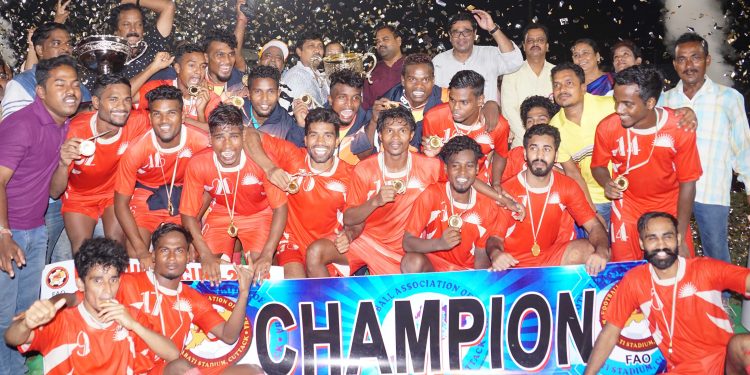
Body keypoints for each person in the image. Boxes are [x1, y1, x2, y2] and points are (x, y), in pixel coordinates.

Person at [584, 212, 750, 375]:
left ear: (678, 239)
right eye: (652, 238)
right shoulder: (635, 280)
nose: (661, 244)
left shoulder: (704, 269)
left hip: (724, 364)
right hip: (684, 370)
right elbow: (610, 333)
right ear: (642, 243)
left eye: (667, 236)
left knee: (742, 344)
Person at [0, 56, 82, 375]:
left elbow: (54, 192)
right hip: (10, 233)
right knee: (4, 314)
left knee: (24, 313)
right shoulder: (22, 124)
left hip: (36, 229)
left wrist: (64, 162)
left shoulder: (63, 127)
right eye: (59, 84)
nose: (70, 90)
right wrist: (3, 235)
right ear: (41, 91)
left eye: (75, 83)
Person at [4, 238, 180, 374]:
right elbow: (12, 338)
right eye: (97, 281)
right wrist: (26, 323)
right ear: (81, 284)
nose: (107, 289)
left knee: (183, 369)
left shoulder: (129, 315)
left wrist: (134, 325)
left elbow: (173, 355)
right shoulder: (63, 319)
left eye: (113, 280)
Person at [306, 107, 441, 276]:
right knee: (315, 252)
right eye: (389, 131)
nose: (396, 137)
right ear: (380, 135)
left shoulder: (431, 166)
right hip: (367, 243)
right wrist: (375, 201)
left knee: (405, 278)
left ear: (412, 135)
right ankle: (333, 301)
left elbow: (455, 190)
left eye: (403, 131)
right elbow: (349, 217)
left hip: (407, 250)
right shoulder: (364, 169)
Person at [116, 223, 263, 374]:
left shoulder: (193, 299)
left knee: (252, 371)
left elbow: (229, 336)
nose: (172, 258)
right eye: (165, 250)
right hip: (128, 368)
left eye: (179, 250)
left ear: (188, 256)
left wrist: (244, 293)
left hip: (166, 370)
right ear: (153, 255)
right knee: (181, 366)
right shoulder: (126, 282)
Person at [591, 65, 702, 261]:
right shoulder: (607, 127)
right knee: (626, 273)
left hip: (669, 208)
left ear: (650, 102)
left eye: (627, 104)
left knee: (677, 272)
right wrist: (606, 182)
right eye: (616, 101)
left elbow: (688, 183)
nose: (619, 109)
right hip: (627, 209)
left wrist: (680, 235)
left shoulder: (678, 127)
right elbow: (598, 166)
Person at [658, 33, 750, 264]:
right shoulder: (664, 100)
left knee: (715, 253)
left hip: (712, 191)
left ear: (707, 60)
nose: (689, 65)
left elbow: (743, 147)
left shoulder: (729, 98)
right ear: (674, 64)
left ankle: (721, 300)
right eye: (682, 59)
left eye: (695, 58)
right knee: (671, 250)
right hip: (672, 192)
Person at [181, 104, 287, 284]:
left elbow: (280, 209)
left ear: (243, 136)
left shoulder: (261, 160)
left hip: (258, 215)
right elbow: (188, 214)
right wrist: (205, 254)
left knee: (261, 271)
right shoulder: (198, 163)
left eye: (234, 136)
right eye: (220, 137)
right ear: (210, 138)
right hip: (222, 212)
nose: (227, 145)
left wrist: (268, 255)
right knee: (208, 268)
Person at [246, 108, 355, 279]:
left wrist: (348, 234)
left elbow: (356, 218)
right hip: (291, 242)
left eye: (327, 136)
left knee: (322, 297)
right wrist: (270, 168)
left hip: (327, 246)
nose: (320, 142)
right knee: (295, 288)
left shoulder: (350, 175)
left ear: (336, 141)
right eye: (313, 135)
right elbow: (248, 133)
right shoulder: (293, 157)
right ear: (305, 139)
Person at [487, 124, 609, 275]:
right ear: (525, 153)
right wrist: (496, 254)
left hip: (549, 259)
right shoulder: (507, 191)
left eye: (547, 149)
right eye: (533, 148)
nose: (539, 155)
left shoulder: (567, 186)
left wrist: (602, 251)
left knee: (587, 249)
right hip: (512, 263)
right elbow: (494, 238)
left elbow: (594, 226)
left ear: (556, 156)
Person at [114, 85, 208, 270]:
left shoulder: (201, 142)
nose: (164, 120)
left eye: (171, 113)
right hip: (146, 195)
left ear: (182, 116)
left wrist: (189, 229)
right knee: (134, 255)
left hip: (186, 199)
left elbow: (209, 191)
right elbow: (120, 204)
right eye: (157, 114)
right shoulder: (136, 150)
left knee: (191, 254)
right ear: (150, 117)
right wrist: (141, 251)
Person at [58, 75, 151, 253]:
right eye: (113, 99)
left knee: (117, 247)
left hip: (113, 193)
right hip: (79, 197)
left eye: (126, 100)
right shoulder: (75, 130)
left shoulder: (136, 121)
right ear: (96, 102)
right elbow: (55, 192)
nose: (122, 107)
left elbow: (170, 121)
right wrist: (63, 163)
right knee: (82, 252)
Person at [401, 136, 509, 272]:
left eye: (469, 166)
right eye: (455, 166)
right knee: (411, 262)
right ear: (446, 169)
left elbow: (480, 262)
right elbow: (407, 243)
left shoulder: (487, 206)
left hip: (465, 272)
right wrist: (439, 243)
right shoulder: (432, 194)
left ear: (477, 169)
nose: (462, 172)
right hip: (433, 266)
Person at [549, 62, 618, 227]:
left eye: (569, 83)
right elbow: (573, 173)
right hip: (594, 198)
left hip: (627, 192)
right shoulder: (555, 127)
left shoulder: (610, 106)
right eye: (556, 85)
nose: (562, 89)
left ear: (583, 87)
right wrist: (592, 212)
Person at [422, 70, 510, 188]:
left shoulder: (498, 125)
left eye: (464, 102)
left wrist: (496, 183)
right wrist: (432, 155)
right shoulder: (433, 118)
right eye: (452, 100)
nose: (456, 108)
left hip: (480, 181)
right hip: (443, 181)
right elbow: (429, 160)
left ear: (480, 100)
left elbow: (501, 154)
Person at [1, 22, 91, 119]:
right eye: (56, 43)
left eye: (69, 44)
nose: (66, 48)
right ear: (40, 50)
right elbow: (14, 128)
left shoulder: (81, 89)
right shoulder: (22, 83)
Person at [432, 9, 523, 103]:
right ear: (450, 36)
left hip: (487, 115)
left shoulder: (489, 54)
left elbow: (515, 62)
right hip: (449, 116)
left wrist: (492, 28)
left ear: (474, 33)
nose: (461, 36)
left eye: (466, 32)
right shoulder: (438, 62)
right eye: (456, 32)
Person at [137, 43, 221, 132]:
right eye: (192, 65)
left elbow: (215, 135)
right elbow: (124, 97)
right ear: (177, 68)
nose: (198, 71)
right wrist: (153, 68)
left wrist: (200, 112)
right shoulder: (159, 89)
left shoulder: (209, 97)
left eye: (203, 66)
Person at [293, 69, 370, 165]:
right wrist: (301, 127)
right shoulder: (314, 120)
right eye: (342, 97)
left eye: (355, 98)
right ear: (330, 99)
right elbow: (293, 158)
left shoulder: (368, 124)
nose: (349, 104)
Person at [500, 23, 555, 147]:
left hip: (554, 142)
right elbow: (508, 111)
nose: (535, 43)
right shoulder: (511, 73)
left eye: (540, 40)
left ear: (547, 46)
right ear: (524, 46)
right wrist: (529, 135)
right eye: (530, 40)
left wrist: (550, 135)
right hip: (521, 142)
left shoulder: (558, 72)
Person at [109, 1, 175, 80]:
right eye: (126, 24)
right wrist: (152, 68)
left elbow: (168, 6)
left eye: (138, 24)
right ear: (116, 31)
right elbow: (121, 91)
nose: (133, 29)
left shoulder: (153, 47)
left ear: (143, 29)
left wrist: (133, 1)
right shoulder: (108, 61)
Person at [500, 95, 560, 183]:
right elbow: (497, 184)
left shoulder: (565, 154)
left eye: (541, 119)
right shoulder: (515, 156)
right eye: (530, 121)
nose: (535, 124)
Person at [244, 65, 305, 146]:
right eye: (258, 91)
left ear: (278, 93)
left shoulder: (286, 123)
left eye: (271, 92)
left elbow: (293, 153)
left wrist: (301, 126)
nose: (265, 98)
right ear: (248, 93)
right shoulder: (237, 112)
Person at [362, 25, 404, 110]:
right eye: (377, 41)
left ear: (398, 41)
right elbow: (365, 106)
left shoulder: (412, 66)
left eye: (385, 39)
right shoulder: (372, 72)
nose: (380, 44)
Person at [282, 31, 328, 106]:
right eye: (311, 46)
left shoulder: (321, 77)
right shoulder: (295, 77)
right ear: (299, 52)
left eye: (320, 46)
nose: (317, 50)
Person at [258, 39, 293, 113]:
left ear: (283, 66)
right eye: (268, 56)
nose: (273, 60)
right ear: (259, 61)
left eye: (278, 58)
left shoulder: (288, 93)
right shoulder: (245, 86)